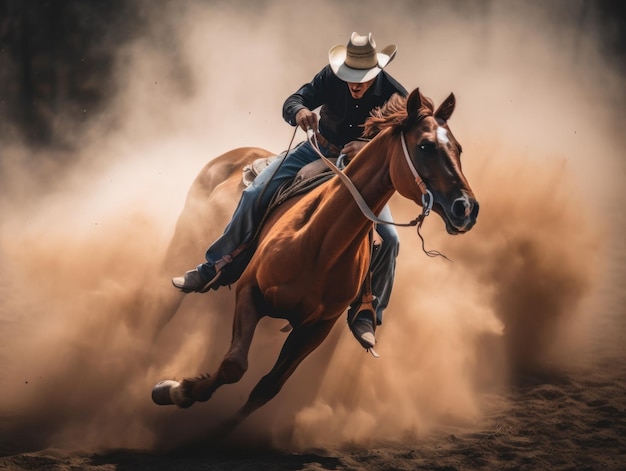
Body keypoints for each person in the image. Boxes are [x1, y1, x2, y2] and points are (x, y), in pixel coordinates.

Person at [173, 32, 407, 350]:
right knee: (256, 192)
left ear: (376, 72)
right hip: (316, 150)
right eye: (350, 75)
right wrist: (299, 113)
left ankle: (367, 311)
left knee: (390, 240)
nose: (355, 83)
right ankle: (216, 265)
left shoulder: (396, 96)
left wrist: (366, 146)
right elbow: (294, 100)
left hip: (361, 169)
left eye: (361, 77)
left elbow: (403, 141)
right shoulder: (330, 77)